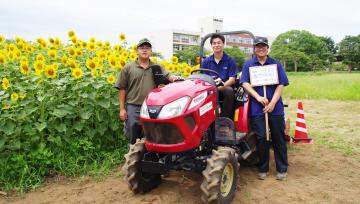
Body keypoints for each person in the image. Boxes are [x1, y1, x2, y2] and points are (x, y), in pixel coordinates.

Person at [240, 37, 289, 180]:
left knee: (278, 137)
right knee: (261, 138)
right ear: (254, 49)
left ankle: (282, 168)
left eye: (263, 46)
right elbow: (245, 83)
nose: (261, 49)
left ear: (267, 48)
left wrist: (273, 102)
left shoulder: (276, 64)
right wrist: (258, 97)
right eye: (258, 46)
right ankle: (263, 168)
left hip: (275, 108)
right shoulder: (249, 64)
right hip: (257, 107)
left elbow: (281, 84)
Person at [115, 38, 179, 144]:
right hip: (133, 106)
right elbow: (122, 88)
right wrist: (122, 109)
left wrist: (175, 78)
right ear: (137, 51)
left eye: (147, 48)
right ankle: (133, 157)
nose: (145, 50)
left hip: (151, 107)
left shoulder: (156, 67)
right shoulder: (128, 67)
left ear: (151, 51)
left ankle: (150, 157)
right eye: (142, 48)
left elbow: (168, 75)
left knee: (153, 135)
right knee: (132, 135)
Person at [201, 33, 238, 118]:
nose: (216, 45)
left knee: (229, 91)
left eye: (219, 43)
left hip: (224, 87)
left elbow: (232, 79)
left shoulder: (230, 60)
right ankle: (206, 120)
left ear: (223, 44)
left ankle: (225, 119)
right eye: (214, 43)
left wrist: (222, 86)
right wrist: (212, 87)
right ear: (211, 45)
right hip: (210, 88)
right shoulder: (206, 61)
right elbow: (203, 78)